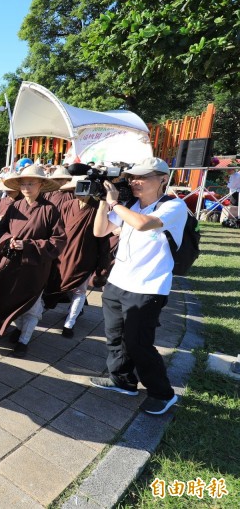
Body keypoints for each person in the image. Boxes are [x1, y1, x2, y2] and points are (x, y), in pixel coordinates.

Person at [91, 157, 187, 415]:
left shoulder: (173, 206)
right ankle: (123, 382)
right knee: (115, 338)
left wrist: (114, 203)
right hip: (117, 282)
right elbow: (99, 231)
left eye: (143, 177)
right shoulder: (130, 205)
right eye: (133, 176)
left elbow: (143, 224)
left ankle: (162, 393)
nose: (135, 181)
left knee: (138, 343)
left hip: (148, 287)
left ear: (163, 179)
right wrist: (103, 201)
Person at [0, 165, 67, 357]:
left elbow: (58, 241)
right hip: (11, 262)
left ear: (41, 184)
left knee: (31, 304)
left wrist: (29, 245)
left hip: (35, 266)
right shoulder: (14, 206)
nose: (26, 187)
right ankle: (15, 327)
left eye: (31, 183)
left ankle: (24, 340)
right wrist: (9, 240)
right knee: (8, 297)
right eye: (23, 183)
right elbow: (0, 230)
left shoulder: (50, 210)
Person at [43, 175, 112, 337]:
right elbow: (56, 230)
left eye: (84, 188)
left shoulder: (98, 208)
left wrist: (102, 263)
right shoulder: (67, 205)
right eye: (76, 189)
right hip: (62, 256)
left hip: (85, 257)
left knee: (79, 291)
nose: (79, 192)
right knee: (52, 284)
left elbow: (103, 239)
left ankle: (69, 323)